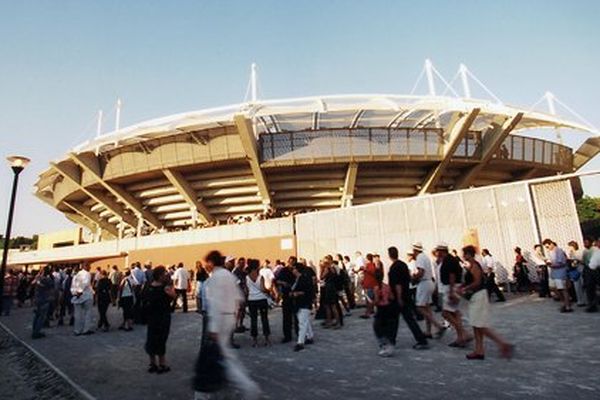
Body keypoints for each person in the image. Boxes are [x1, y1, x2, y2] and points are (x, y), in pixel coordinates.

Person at [195, 250, 260, 400]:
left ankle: (247, 388)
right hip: (229, 317)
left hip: (219, 320)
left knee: (220, 358)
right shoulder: (229, 276)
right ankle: (224, 391)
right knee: (224, 355)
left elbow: (216, 304)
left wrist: (213, 328)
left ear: (211, 262)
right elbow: (239, 297)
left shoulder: (215, 279)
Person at [459, 245, 514, 360]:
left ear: (469, 254)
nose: (463, 256)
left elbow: (477, 282)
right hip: (476, 296)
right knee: (476, 325)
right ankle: (479, 350)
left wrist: (464, 288)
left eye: (465, 254)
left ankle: (502, 343)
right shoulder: (470, 266)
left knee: (480, 325)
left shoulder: (474, 266)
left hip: (478, 295)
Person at [387, 246, 429, 350]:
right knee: (408, 319)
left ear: (389, 255)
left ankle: (391, 341)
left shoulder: (394, 267)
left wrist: (399, 297)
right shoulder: (403, 265)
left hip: (399, 297)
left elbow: (397, 284)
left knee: (395, 320)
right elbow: (408, 278)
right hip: (406, 295)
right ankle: (421, 340)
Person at [435, 242, 470, 347]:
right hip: (453, 286)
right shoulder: (450, 259)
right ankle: (460, 337)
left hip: (451, 287)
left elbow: (452, 276)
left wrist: (451, 291)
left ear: (441, 251)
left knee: (446, 313)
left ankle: (464, 333)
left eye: (438, 251)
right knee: (454, 313)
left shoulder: (448, 261)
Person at [145, 266, 176, 374]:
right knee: (161, 339)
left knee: (151, 339)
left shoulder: (149, 286)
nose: (166, 275)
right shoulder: (165, 288)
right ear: (160, 275)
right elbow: (173, 297)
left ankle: (152, 363)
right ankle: (162, 364)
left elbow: (144, 299)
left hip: (152, 318)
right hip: (163, 317)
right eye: (164, 274)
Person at [411, 243, 446, 338]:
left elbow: (421, 272)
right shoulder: (425, 257)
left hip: (424, 283)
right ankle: (428, 331)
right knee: (427, 308)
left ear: (415, 250)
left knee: (419, 307)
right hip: (429, 282)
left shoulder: (420, 258)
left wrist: (414, 278)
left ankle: (438, 326)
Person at [245, 259, 271, 347]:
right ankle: (267, 339)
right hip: (261, 299)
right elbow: (263, 289)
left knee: (253, 320)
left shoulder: (247, 277)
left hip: (251, 299)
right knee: (264, 319)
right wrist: (269, 291)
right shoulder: (260, 277)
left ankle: (254, 341)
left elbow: (246, 290)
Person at [290, 263, 315, 352]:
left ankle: (300, 342)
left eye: (294, 268)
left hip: (304, 302)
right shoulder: (297, 279)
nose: (292, 270)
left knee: (302, 322)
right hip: (299, 303)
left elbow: (308, 291)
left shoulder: (304, 279)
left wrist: (298, 293)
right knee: (305, 321)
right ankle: (310, 336)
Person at [543, 239, 572, 313]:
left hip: (560, 273)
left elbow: (561, 263)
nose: (547, 248)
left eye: (548, 246)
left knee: (563, 289)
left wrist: (553, 265)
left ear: (551, 244)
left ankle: (567, 305)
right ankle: (563, 303)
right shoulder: (550, 252)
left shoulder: (559, 251)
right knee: (555, 289)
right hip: (554, 273)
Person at [372, 268, 395, 356]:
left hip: (381, 309)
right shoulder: (387, 286)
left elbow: (377, 300)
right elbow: (392, 297)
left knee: (377, 328)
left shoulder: (376, 288)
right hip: (388, 308)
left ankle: (384, 346)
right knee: (387, 327)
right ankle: (389, 345)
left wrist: (372, 303)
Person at [276, 256, 297, 343]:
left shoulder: (297, 270)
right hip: (286, 295)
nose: (291, 264)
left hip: (296, 295)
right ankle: (287, 336)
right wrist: (283, 283)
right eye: (290, 262)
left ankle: (300, 334)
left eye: (293, 262)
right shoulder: (284, 270)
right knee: (286, 317)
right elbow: (277, 280)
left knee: (297, 316)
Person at [71, 263, 95, 336]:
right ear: (86, 267)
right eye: (89, 266)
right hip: (86, 295)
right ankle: (86, 329)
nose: (90, 267)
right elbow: (86, 283)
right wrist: (80, 291)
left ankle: (77, 330)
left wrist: (74, 292)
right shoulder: (87, 274)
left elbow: (72, 285)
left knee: (77, 314)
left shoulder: (76, 275)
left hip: (76, 296)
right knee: (88, 313)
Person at [32, 266, 54, 339]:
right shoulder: (47, 279)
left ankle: (34, 330)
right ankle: (37, 332)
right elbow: (52, 286)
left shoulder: (38, 278)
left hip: (37, 299)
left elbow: (33, 283)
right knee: (41, 317)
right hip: (44, 299)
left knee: (37, 316)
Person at [566, 241, 586, 307]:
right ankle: (580, 301)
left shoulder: (579, 252)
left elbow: (583, 261)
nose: (569, 248)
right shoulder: (571, 254)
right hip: (574, 271)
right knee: (577, 286)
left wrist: (577, 260)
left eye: (570, 247)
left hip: (581, 270)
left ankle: (586, 300)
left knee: (583, 285)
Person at [360, 254, 378, 319]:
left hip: (371, 284)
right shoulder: (368, 265)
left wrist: (365, 269)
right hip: (368, 284)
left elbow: (372, 272)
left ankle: (367, 313)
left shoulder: (371, 265)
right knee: (370, 299)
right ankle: (371, 310)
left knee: (369, 299)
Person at [585, 238, 599, 312]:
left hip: (595, 271)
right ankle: (592, 305)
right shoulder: (587, 251)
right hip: (590, 270)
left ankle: (593, 304)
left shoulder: (596, 250)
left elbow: (593, 264)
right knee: (590, 288)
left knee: (592, 288)